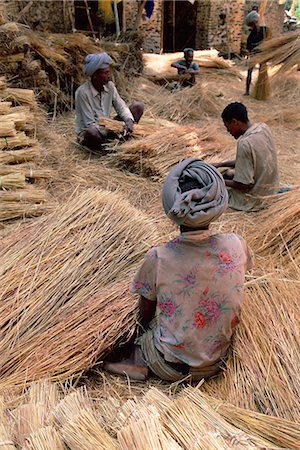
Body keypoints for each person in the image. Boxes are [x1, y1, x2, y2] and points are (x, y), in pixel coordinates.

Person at [103, 158, 252, 382]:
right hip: (218, 362)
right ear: (216, 205)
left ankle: (141, 362)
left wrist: (139, 333)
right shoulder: (236, 244)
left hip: (171, 366)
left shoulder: (159, 257)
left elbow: (145, 313)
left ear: (172, 206)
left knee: (135, 343)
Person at [214, 102, 279, 211]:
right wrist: (220, 164)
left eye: (227, 126)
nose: (227, 131)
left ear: (234, 122)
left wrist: (217, 180)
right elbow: (254, 160)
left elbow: (245, 185)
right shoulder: (263, 128)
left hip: (255, 199)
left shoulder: (245, 143)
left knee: (215, 190)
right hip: (272, 190)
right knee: (228, 173)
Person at [75, 52, 144, 151]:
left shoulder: (110, 86)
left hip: (108, 128)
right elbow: (89, 123)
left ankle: (119, 141)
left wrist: (129, 120)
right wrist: (111, 129)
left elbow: (121, 106)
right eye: (105, 72)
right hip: (91, 134)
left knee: (138, 106)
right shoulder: (83, 93)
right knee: (92, 132)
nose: (109, 75)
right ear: (95, 75)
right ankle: (107, 149)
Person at [245, 10, 270, 96]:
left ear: (256, 22)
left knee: (262, 72)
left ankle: (260, 92)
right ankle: (247, 91)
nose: (252, 27)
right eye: (250, 25)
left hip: (263, 54)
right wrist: (251, 52)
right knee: (249, 71)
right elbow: (248, 46)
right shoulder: (251, 35)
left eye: (252, 24)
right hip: (254, 54)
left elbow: (269, 40)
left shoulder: (265, 31)